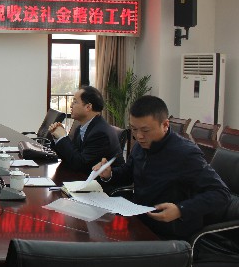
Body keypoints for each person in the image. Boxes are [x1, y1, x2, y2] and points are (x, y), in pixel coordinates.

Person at [93, 95, 231, 240]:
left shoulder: (185, 154)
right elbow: (128, 173)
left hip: (169, 233)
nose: (139, 136)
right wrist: (109, 174)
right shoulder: (140, 146)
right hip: (141, 220)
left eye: (145, 130)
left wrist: (180, 210)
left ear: (165, 125)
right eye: (134, 129)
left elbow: (221, 193)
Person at [48, 85, 124, 174]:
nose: (71, 105)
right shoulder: (81, 128)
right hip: (82, 176)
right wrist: (57, 137)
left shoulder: (100, 133)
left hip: (99, 181)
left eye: (75, 102)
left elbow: (80, 165)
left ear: (88, 107)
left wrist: (63, 137)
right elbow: (70, 157)